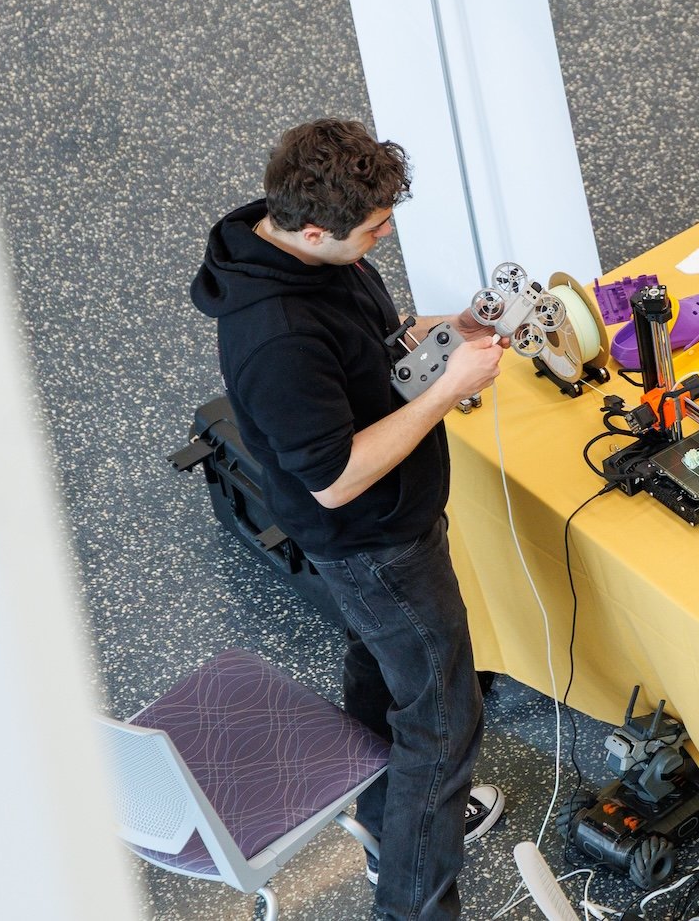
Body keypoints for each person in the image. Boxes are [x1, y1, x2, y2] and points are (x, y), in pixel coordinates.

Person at [191, 118, 506, 919]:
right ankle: (411, 904)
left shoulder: (311, 252)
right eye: (371, 229)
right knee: (443, 721)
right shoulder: (275, 339)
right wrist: (444, 390)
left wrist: (441, 335)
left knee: (379, 661)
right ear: (312, 227)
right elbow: (333, 478)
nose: (381, 240)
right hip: (374, 542)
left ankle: (383, 820)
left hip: (387, 535)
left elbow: (368, 345)